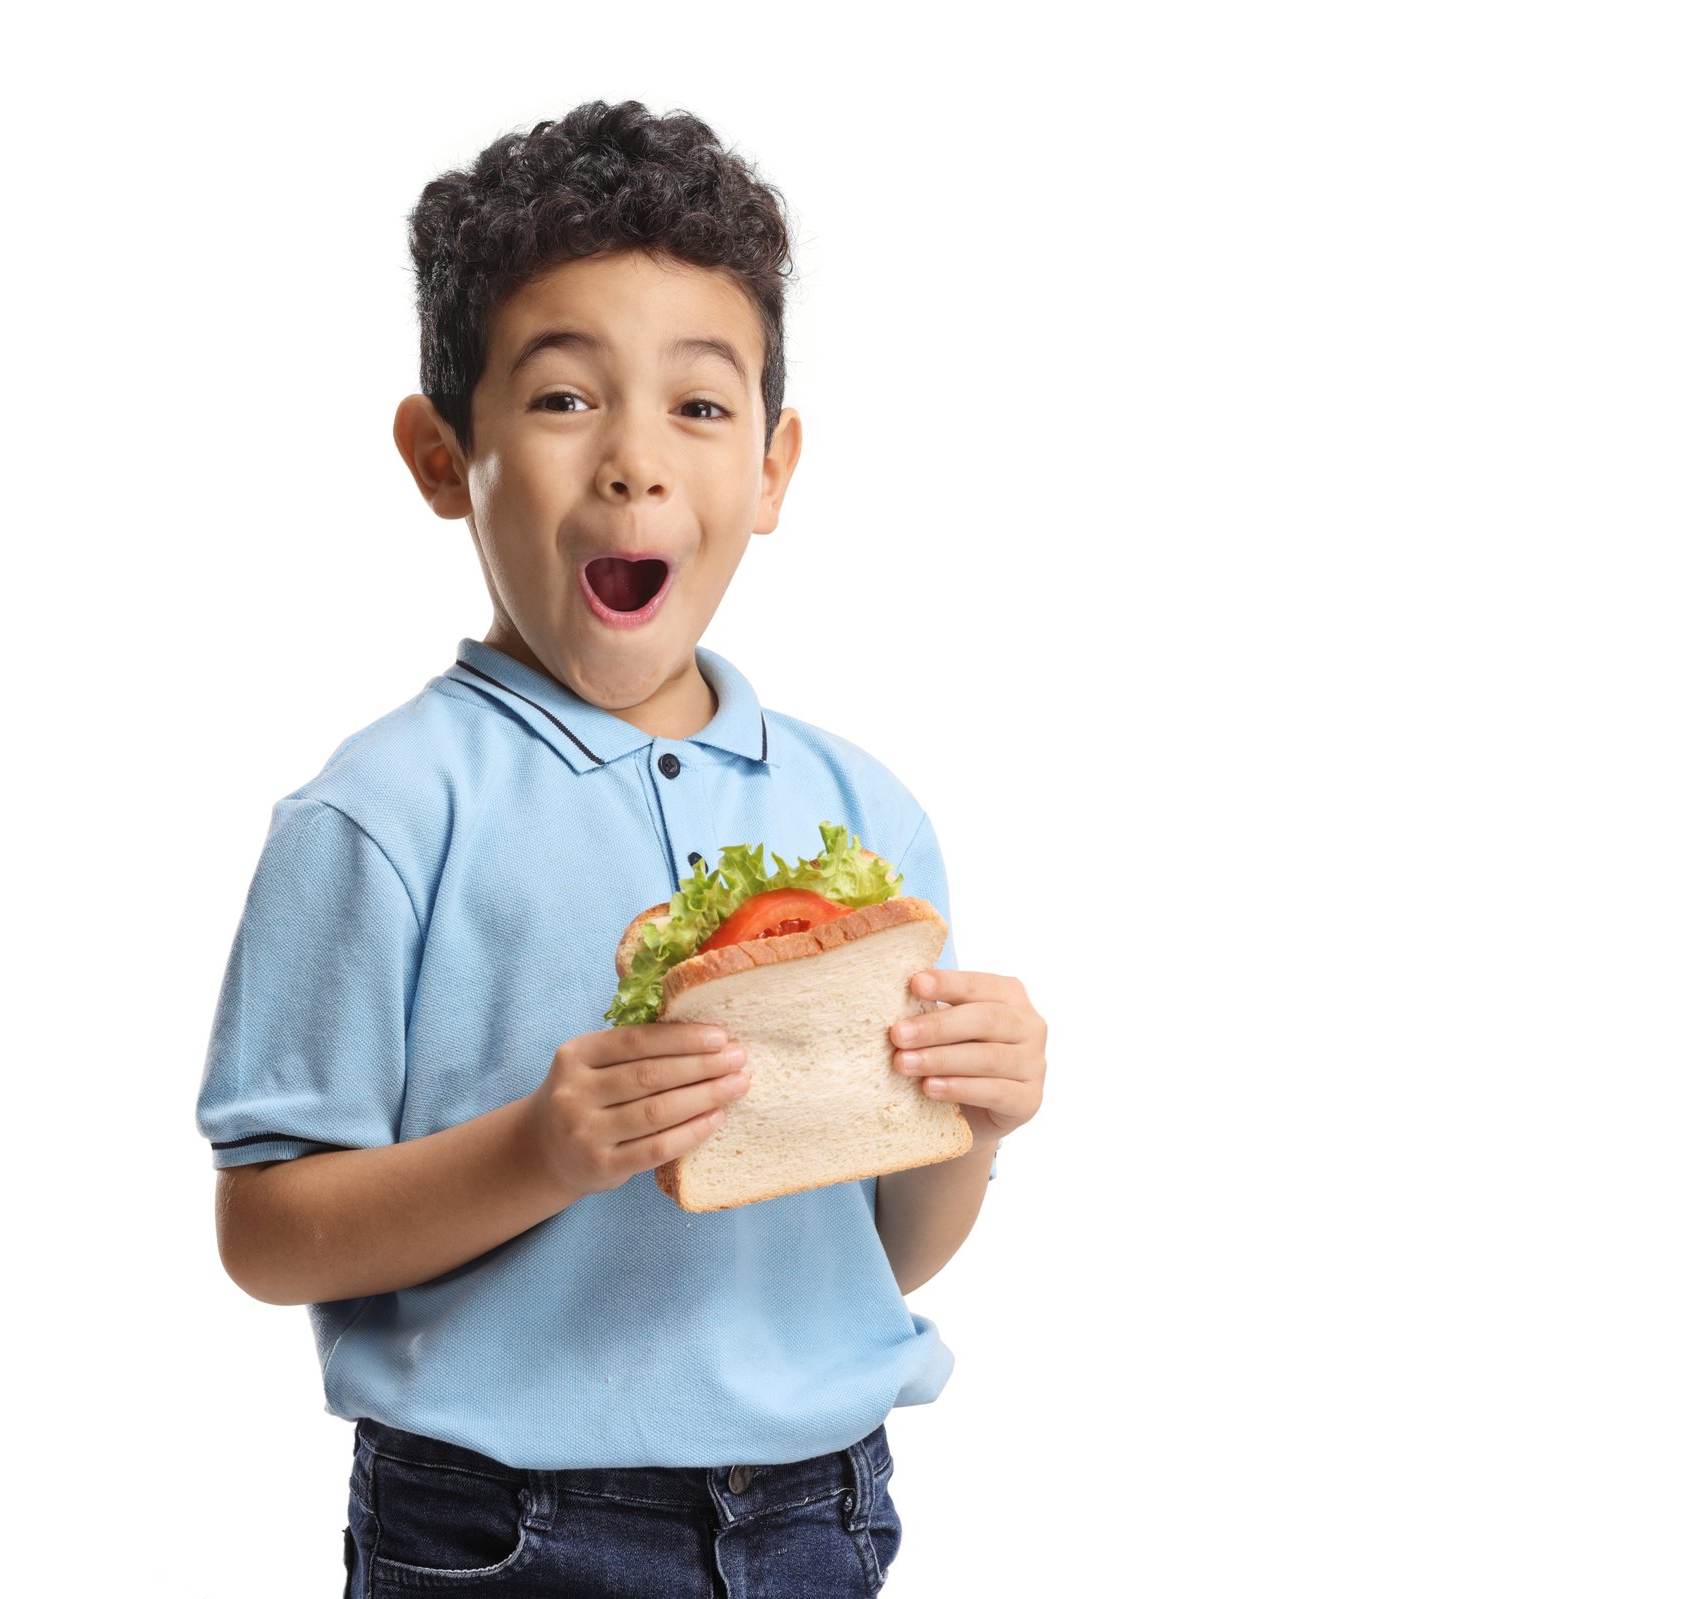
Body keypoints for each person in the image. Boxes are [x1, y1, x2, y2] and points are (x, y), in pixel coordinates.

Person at [197, 99, 1049, 1597]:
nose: (636, 464)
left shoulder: (866, 819)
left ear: (776, 469)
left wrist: (970, 1122)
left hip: (818, 1517)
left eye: (701, 409)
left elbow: (888, 1254)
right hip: (497, 1528)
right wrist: (536, 1153)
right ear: (441, 452)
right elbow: (269, 1236)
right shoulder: (382, 816)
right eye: (565, 398)